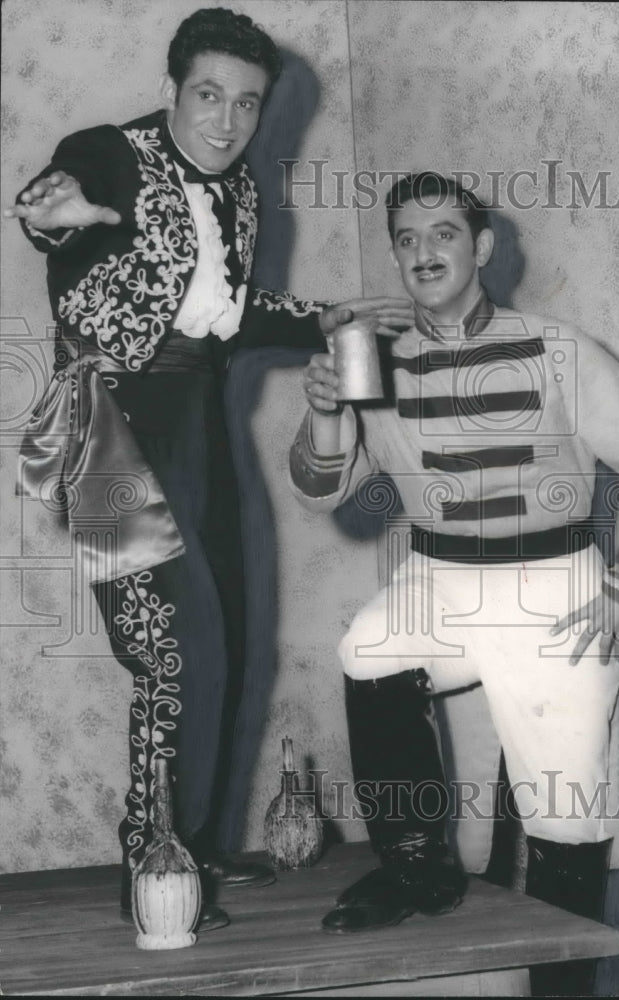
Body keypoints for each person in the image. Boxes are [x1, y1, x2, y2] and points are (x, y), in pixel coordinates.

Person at [6, 7, 412, 933]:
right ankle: (151, 860)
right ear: (170, 92)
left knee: (230, 633)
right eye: (207, 97)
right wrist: (58, 213)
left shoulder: (239, 193)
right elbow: (57, 201)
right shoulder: (107, 152)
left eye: (247, 104)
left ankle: (196, 837)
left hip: (197, 423)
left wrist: (323, 315)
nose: (226, 122)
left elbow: (229, 314)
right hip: (111, 429)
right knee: (171, 650)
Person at [289, 172, 619, 994]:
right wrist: (326, 409)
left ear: (483, 247)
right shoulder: (375, 359)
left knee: (564, 813)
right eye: (406, 238)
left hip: (555, 587)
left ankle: (561, 984)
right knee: (367, 648)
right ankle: (416, 870)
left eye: (443, 233)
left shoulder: (558, 347)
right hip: (437, 578)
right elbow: (323, 488)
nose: (424, 252)